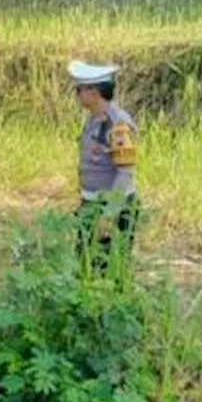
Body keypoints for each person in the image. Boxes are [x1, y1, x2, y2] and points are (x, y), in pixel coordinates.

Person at [69, 60, 139, 271]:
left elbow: (125, 171)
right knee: (85, 265)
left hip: (110, 207)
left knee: (109, 270)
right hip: (92, 203)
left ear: (94, 91)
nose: (77, 94)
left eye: (79, 89)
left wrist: (109, 215)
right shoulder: (94, 119)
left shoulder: (117, 124)